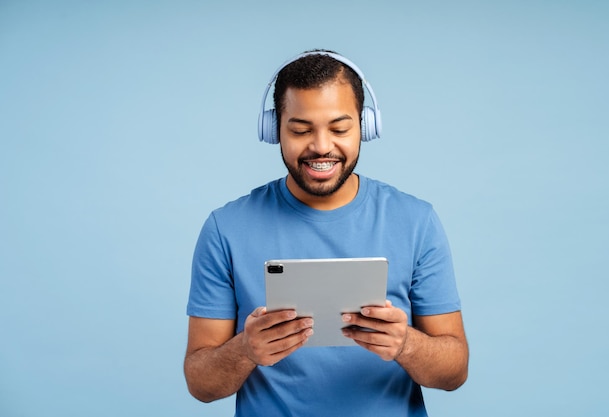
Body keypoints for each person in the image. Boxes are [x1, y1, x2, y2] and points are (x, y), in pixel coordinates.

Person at [184, 50, 469, 416]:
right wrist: (245, 350)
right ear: (274, 131)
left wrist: (406, 344)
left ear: (366, 127)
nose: (321, 146)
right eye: (301, 130)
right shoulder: (225, 228)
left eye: (339, 128)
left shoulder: (416, 221)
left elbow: (455, 372)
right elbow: (201, 384)